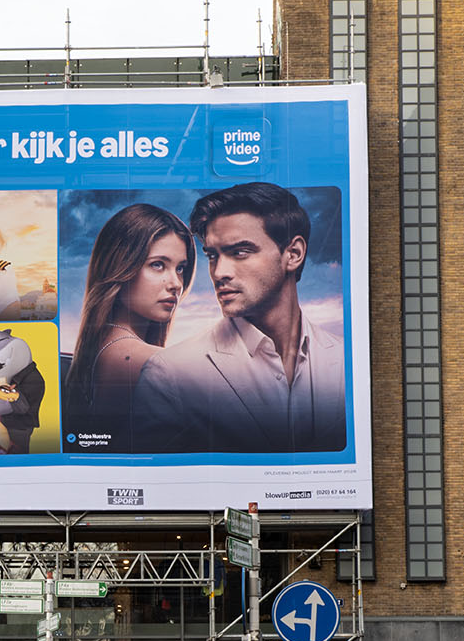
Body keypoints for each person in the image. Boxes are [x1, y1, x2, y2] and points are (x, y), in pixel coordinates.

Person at [130, 182, 347, 454]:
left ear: (293, 254)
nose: (219, 272)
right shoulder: (170, 374)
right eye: (212, 256)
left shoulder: (348, 359)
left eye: (240, 252)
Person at [61, 203, 198, 451]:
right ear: (121, 266)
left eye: (180, 268)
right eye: (158, 264)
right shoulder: (147, 360)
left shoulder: (100, 348)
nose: (176, 283)